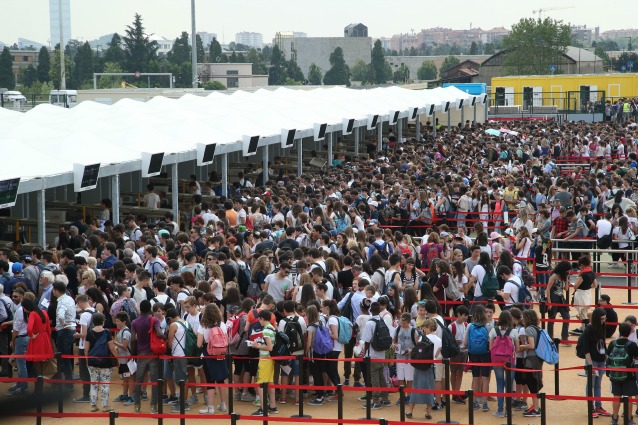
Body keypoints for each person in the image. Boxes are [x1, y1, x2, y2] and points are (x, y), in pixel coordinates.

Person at [130, 299, 164, 413]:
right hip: (153, 353)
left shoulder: (134, 322)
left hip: (141, 353)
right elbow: (159, 333)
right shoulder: (154, 320)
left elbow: (132, 339)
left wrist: (133, 353)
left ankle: (136, 405)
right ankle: (153, 406)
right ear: (150, 308)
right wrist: (165, 337)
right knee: (155, 380)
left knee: (139, 380)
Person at [196, 303, 229, 415]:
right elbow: (226, 340)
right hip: (221, 353)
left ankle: (210, 407)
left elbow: (199, 344)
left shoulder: (203, 325)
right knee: (221, 379)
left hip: (208, 353)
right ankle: (223, 404)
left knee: (210, 380)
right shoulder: (222, 324)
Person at [580, 307, 612, 418]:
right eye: (602, 319)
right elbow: (586, 349)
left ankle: (598, 406)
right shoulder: (588, 329)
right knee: (591, 384)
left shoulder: (603, 327)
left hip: (601, 359)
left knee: (598, 384)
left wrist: (607, 359)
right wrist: (590, 364)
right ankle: (591, 407)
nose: (604, 321)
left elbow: (603, 343)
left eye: (604, 318)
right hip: (592, 360)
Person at [407, 318, 440, 420]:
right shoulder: (439, 340)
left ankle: (410, 411)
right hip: (431, 367)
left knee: (416, 387)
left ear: (428, 327)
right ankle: (428, 412)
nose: (423, 329)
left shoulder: (422, 339)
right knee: (429, 389)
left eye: (425, 327)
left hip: (420, 367)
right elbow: (436, 355)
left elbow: (417, 351)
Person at [85, 312, 117, 413]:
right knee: (105, 383)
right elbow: (111, 348)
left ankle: (93, 405)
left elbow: (86, 349)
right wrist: (117, 358)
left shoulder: (89, 333)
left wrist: (87, 360)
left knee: (93, 383)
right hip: (105, 361)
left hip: (92, 361)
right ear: (103, 321)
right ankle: (105, 405)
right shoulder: (107, 332)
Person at [607, 322, 638, 425]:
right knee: (628, 396)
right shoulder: (632, 345)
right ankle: (629, 418)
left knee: (616, 395)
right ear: (629, 332)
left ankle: (615, 417)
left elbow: (608, 356)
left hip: (615, 374)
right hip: (628, 375)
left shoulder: (612, 343)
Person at [362, 301, 391, 409]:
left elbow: (366, 340)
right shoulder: (381, 320)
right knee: (381, 377)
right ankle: (385, 399)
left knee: (374, 378)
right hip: (381, 353)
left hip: (373, 354)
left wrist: (364, 352)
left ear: (370, 310)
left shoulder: (370, 323)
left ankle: (376, 401)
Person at [488, 310, 517, 418]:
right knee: (508, 385)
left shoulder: (493, 331)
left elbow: (490, 348)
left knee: (499, 383)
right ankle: (508, 410)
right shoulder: (513, 332)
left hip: (497, 360)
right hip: (510, 361)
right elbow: (517, 349)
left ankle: (500, 410)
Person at [251, 309, 278, 416]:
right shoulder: (272, 328)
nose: (258, 320)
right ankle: (272, 406)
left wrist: (257, 346)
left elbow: (269, 347)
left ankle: (263, 408)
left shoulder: (266, 330)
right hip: (270, 360)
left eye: (259, 318)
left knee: (260, 383)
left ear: (262, 319)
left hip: (265, 359)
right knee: (270, 383)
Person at [464, 304, 491, 412]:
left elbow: (465, 342)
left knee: (475, 377)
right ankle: (484, 403)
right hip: (485, 354)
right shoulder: (488, 326)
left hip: (473, 353)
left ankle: (474, 401)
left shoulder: (470, 326)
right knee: (485, 378)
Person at [520, 309, 543, 417]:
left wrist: (521, 346)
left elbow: (531, 346)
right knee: (535, 381)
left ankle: (536, 409)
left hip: (531, 359)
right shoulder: (537, 328)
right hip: (538, 358)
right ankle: (536, 406)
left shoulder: (529, 329)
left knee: (531, 382)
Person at [22, 298, 54, 376]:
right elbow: (48, 328)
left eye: (24, 308)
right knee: (42, 360)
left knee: (36, 361)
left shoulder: (32, 313)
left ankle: (39, 380)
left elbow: (29, 329)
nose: (24, 310)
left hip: (37, 338)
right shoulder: (44, 312)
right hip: (45, 337)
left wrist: (32, 335)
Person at [545, 261, 572, 343]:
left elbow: (566, 289)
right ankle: (550, 337)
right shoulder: (554, 276)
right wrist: (549, 301)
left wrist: (567, 278)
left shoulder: (564, 276)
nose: (569, 272)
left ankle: (564, 337)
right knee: (552, 317)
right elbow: (548, 289)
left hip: (561, 298)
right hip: (553, 298)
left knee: (566, 316)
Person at [112, 311, 134, 405]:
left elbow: (124, 346)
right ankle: (125, 395)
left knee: (130, 378)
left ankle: (131, 396)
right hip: (123, 359)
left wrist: (114, 343)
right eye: (116, 321)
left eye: (118, 321)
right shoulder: (121, 331)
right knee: (125, 378)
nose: (116, 323)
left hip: (127, 359)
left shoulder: (126, 332)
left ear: (124, 322)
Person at [572, 256, 598, 335]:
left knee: (583, 314)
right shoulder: (591, 273)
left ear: (582, 265)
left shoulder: (583, 275)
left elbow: (575, 286)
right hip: (588, 293)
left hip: (581, 294)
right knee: (584, 313)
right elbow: (595, 285)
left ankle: (585, 331)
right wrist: (588, 286)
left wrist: (578, 277)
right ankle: (585, 329)